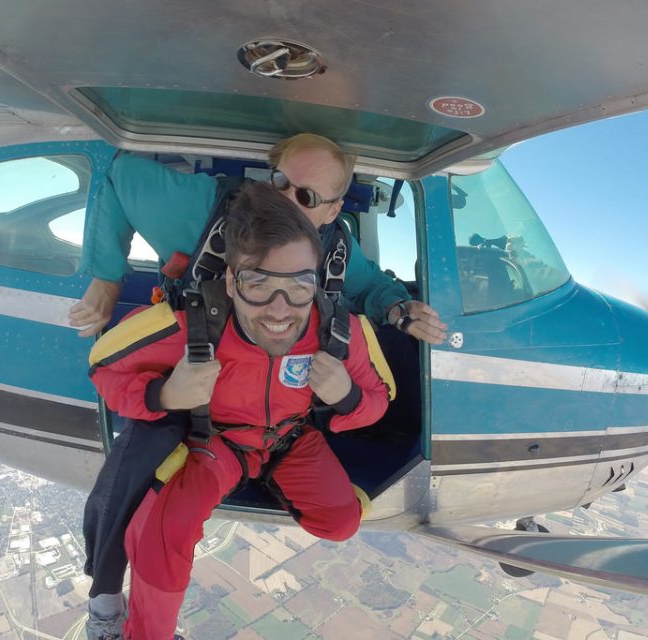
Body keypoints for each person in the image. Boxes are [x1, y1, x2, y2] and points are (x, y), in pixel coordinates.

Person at [79, 134, 444, 639]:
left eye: (297, 286)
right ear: (231, 280)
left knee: (340, 520)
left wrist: (352, 387)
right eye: (257, 283)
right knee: (142, 507)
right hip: (212, 429)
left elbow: (369, 313)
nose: (278, 306)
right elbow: (118, 171)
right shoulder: (195, 294)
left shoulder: (334, 310)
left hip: (288, 433)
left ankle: (266, 473)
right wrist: (107, 285)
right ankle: (111, 608)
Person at [68, 133, 446, 344]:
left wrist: (399, 309)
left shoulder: (336, 247)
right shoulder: (206, 211)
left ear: (332, 211)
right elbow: (119, 175)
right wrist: (105, 280)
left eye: (306, 196)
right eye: (281, 182)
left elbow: (370, 289)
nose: (283, 199)